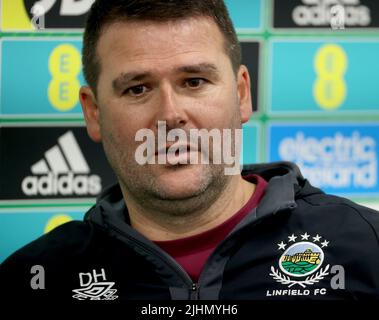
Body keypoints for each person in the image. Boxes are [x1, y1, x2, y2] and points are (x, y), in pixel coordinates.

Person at [1, 0, 378, 301]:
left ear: (241, 94)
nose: (170, 115)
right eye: (137, 89)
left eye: (194, 81)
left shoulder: (365, 247)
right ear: (94, 112)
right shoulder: (34, 277)